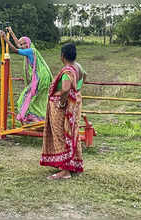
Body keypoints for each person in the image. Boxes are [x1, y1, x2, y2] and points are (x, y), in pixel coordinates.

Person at [40, 43, 87, 180]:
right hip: (75, 105)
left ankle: (65, 171)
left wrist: (61, 102)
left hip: (63, 108)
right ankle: (74, 164)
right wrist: (77, 90)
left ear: (62, 56)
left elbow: (65, 89)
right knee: (72, 133)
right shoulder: (78, 67)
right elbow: (85, 76)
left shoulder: (67, 71)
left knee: (61, 134)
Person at [0, 27, 53, 123]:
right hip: (43, 78)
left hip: (40, 78)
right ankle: (38, 118)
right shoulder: (31, 49)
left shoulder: (30, 51)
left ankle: (31, 118)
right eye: (22, 44)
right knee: (35, 99)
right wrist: (11, 32)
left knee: (26, 97)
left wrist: (5, 38)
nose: (23, 46)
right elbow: (18, 45)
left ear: (28, 43)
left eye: (24, 44)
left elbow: (16, 49)